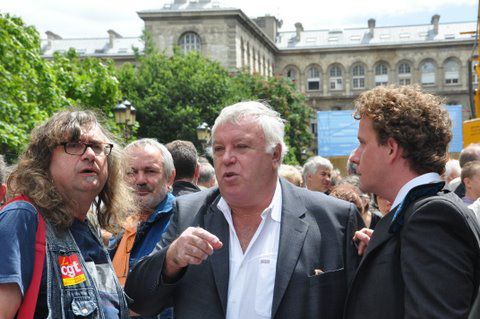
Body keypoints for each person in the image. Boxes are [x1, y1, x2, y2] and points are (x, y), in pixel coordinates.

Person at [124, 101, 360, 319]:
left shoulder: (334, 219)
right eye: (218, 149)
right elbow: (137, 302)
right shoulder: (188, 212)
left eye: (241, 147)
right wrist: (171, 260)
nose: (226, 158)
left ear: (275, 154)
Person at [344, 85, 480, 318]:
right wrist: (383, 248)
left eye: (363, 143)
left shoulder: (432, 217)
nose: (355, 156)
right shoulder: (419, 213)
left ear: (391, 149)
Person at [0, 109, 136, 318]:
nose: (90, 154)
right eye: (74, 145)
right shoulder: (22, 218)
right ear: (44, 160)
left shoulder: (90, 226)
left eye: (97, 147)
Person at [110, 138, 176, 284]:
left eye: (150, 171)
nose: (140, 180)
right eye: (131, 172)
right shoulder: (124, 218)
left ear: (170, 178)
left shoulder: (181, 221)